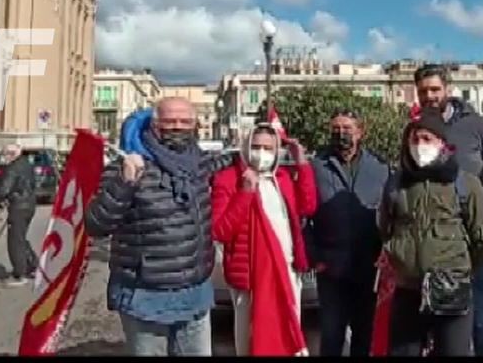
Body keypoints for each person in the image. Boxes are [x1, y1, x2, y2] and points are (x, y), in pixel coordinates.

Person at [84, 97, 235, 357]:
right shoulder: (128, 165)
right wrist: (125, 182)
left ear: (195, 125)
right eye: (170, 121)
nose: (178, 127)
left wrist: (259, 152)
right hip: (145, 297)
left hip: (195, 294)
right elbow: (96, 224)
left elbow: (233, 160)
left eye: (185, 121)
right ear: (154, 125)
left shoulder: (198, 163)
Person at [414, 63, 483, 356]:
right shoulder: (416, 131)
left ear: (448, 89)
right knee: (437, 318)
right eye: (423, 91)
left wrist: (481, 205)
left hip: (473, 242)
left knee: (480, 318)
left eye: (435, 89)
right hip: (431, 243)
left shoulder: (480, 127)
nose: (430, 96)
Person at [378, 107, 483, 356]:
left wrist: (459, 268)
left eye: (427, 139)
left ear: (442, 143)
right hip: (408, 289)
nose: (420, 145)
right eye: (415, 139)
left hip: (451, 289)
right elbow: (386, 228)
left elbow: (482, 238)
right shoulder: (397, 184)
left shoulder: (466, 184)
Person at [212, 123, 317, 356]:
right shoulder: (228, 179)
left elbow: (307, 205)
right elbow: (221, 231)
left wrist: (302, 163)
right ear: (246, 148)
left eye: (268, 148)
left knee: (286, 335)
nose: (262, 153)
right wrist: (246, 192)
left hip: (287, 272)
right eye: (256, 146)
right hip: (250, 276)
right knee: (250, 342)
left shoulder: (283, 178)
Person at [305, 109, 392, 356]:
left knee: (364, 335)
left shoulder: (380, 168)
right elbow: (303, 216)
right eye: (336, 129)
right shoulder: (316, 166)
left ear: (360, 132)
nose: (341, 134)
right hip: (330, 268)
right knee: (331, 336)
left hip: (368, 268)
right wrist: (315, 257)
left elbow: (391, 212)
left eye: (347, 129)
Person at [0, 143, 38, 287]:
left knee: (15, 241)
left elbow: (4, 188)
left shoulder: (12, 168)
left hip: (18, 207)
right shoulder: (26, 164)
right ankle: (32, 265)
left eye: (4, 154)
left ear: (11, 154)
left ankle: (20, 275)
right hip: (29, 205)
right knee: (21, 237)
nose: (3, 157)